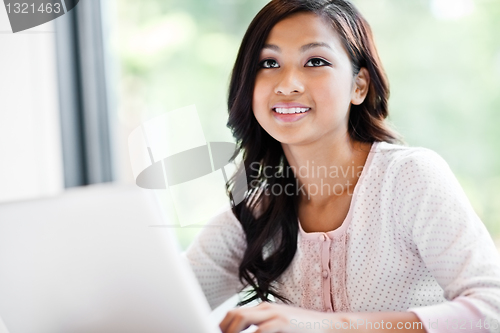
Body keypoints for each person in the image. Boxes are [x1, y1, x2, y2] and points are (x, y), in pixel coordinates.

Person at [184, 0, 500, 332]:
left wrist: (331, 325)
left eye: (315, 61)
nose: (287, 84)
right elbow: (160, 301)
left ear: (359, 86)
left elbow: (490, 311)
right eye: (269, 62)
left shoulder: (409, 179)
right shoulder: (257, 212)